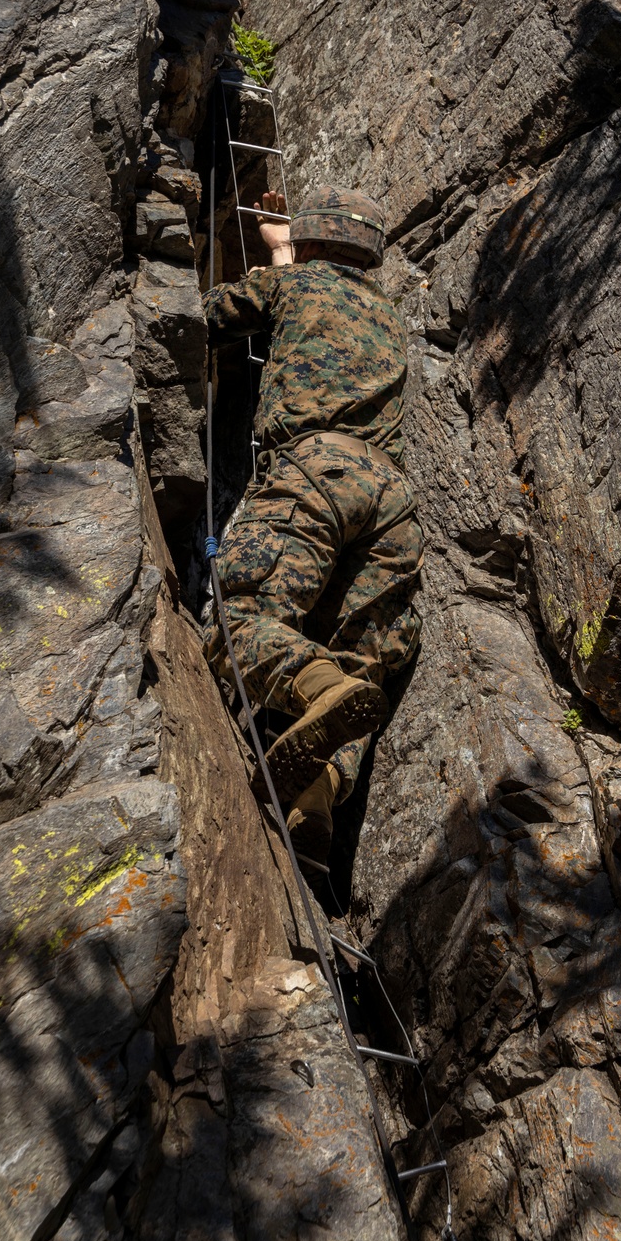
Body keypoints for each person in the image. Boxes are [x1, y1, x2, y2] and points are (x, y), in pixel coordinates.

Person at [202, 185, 423, 866]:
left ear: (313, 237)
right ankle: (317, 792)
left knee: (237, 618)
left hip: (315, 475)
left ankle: (315, 686)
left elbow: (213, 315)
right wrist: (283, 247)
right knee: (362, 660)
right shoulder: (386, 314)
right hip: (392, 504)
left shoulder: (296, 284)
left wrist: (268, 265)